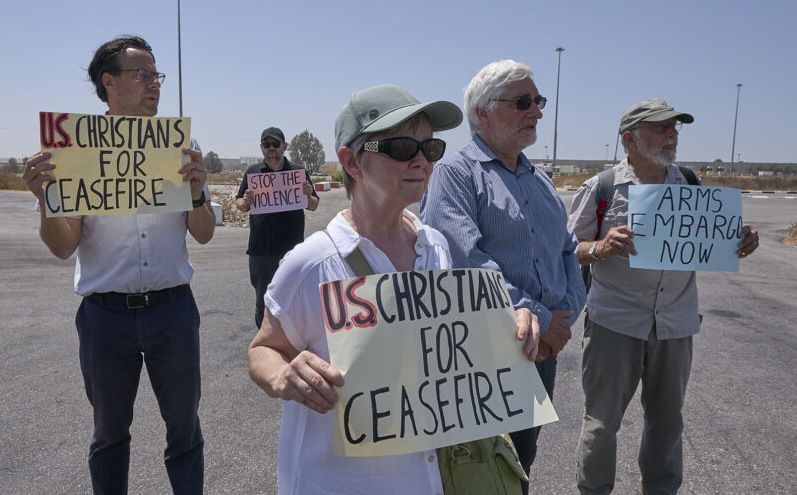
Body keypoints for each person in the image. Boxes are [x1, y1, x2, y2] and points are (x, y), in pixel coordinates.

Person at [247, 84, 541, 494]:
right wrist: (283, 374)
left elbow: (448, 349)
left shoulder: (435, 246)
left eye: (430, 147)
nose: (422, 161)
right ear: (352, 162)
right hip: (337, 482)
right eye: (402, 147)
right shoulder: (311, 263)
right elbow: (263, 348)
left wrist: (510, 326)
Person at [22, 35, 215, 494]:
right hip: (105, 318)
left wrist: (196, 193)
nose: (154, 84)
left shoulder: (180, 146)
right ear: (109, 82)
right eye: (142, 74)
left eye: (157, 75)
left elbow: (204, 232)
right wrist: (48, 201)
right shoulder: (72, 151)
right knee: (109, 437)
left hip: (172, 309)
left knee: (185, 433)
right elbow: (63, 246)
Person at [568, 98, 760, 494]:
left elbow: (716, 241)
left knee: (668, 421)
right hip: (614, 323)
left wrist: (742, 240)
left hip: (675, 324)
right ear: (629, 138)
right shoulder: (603, 187)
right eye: (660, 127)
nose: (671, 134)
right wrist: (601, 247)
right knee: (602, 423)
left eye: (675, 127)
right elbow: (566, 249)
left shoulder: (690, 185)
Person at [420, 59, 587, 492]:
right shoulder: (455, 176)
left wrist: (565, 312)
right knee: (478, 467)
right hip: (484, 354)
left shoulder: (541, 179)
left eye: (539, 101)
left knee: (521, 462)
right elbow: (465, 266)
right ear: (484, 112)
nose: (536, 112)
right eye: (523, 102)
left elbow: (568, 249)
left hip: (542, 349)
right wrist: (545, 319)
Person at [235, 127, 319, 329]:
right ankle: (267, 345)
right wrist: (245, 202)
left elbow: (314, 205)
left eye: (275, 144)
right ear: (261, 147)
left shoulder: (298, 172)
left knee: (295, 300)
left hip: (293, 250)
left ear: (284, 146)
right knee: (263, 302)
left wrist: (308, 195)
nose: (271, 148)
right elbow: (240, 204)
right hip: (260, 250)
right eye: (267, 144)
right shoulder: (253, 173)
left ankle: (295, 343)